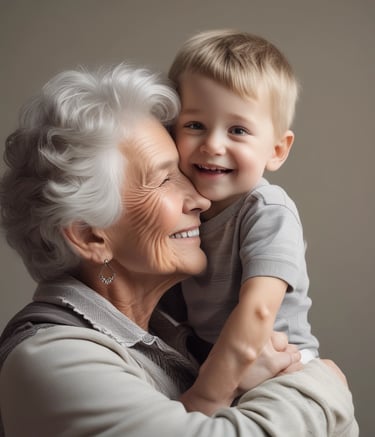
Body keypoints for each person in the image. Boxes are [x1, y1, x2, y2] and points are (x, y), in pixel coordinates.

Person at [0, 63, 358, 436]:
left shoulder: (176, 333)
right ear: (90, 236)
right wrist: (320, 387)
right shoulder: (51, 359)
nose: (200, 200)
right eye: (166, 179)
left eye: (185, 174)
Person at [163, 29, 319, 389]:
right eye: (195, 125)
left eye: (237, 130)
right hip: (213, 362)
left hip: (280, 361)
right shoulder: (185, 208)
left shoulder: (267, 211)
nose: (213, 144)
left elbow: (259, 310)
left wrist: (208, 394)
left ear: (277, 150)